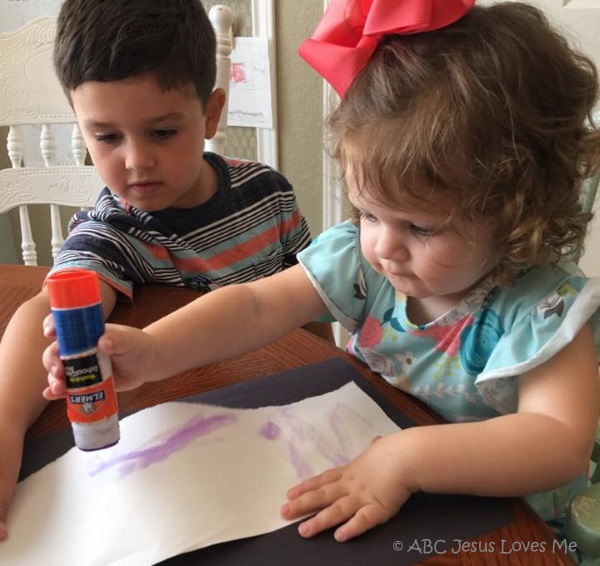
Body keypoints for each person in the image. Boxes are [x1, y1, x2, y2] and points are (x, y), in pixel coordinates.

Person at [44, 0, 600, 550]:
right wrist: (153, 351)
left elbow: (557, 442)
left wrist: (405, 459)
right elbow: (257, 306)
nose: (384, 246)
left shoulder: (544, 308)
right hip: (370, 484)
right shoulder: (364, 264)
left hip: (507, 532)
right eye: (369, 214)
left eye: (422, 228)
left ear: (518, 210)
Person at [0, 0, 329, 540]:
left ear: (210, 114)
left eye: (161, 133)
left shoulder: (270, 195)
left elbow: (315, 303)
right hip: (184, 454)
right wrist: (6, 426)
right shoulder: (116, 231)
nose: (135, 161)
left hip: (290, 430)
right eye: (106, 136)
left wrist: (327, 367)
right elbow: (51, 307)